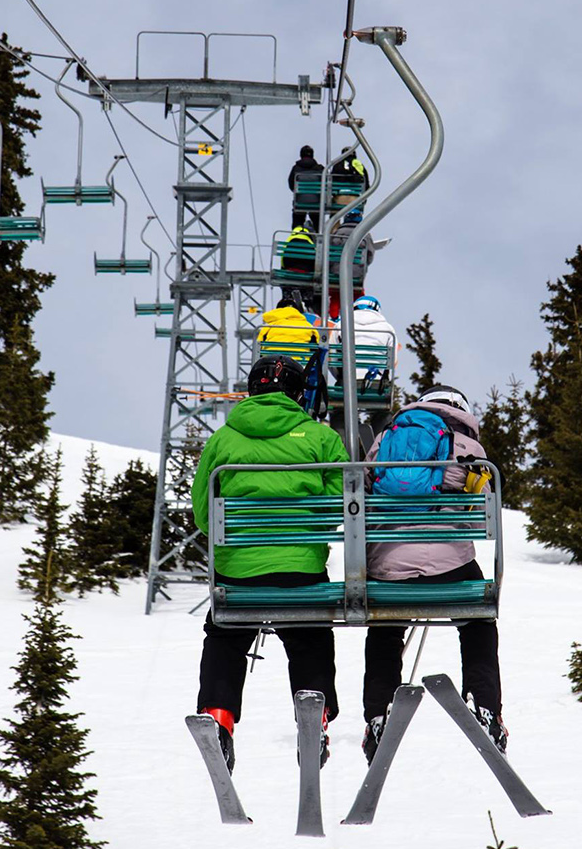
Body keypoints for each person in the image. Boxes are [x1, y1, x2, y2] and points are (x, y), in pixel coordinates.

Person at [193, 355, 349, 771]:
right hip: (300, 572)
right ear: (299, 394)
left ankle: (218, 715)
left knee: (225, 635)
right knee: (310, 636)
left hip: (238, 575)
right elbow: (340, 504)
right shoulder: (321, 437)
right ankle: (314, 715)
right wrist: (305, 528)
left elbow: (204, 515)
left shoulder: (223, 440)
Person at [360, 384, 507, 765]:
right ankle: (485, 703)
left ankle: (378, 713)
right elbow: (482, 509)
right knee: (478, 621)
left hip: (389, 569)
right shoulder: (469, 448)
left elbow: (363, 496)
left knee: (385, 629)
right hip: (450, 570)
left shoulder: (385, 441)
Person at [328, 295, 398, 389]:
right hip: (376, 382)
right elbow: (392, 360)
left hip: (347, 380)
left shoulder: (340, 325)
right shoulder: (388, 329)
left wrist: (340, 376)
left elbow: (332, 357)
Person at [257, 293, 320, 359]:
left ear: (277, 311)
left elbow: (259, 347)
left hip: (272, 362)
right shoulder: (308, 326)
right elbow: (315, 348)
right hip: (299, 363)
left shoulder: (269, 327)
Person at [288, 144, 324, 229]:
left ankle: (297, 231)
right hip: (316, 201)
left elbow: (291, 184)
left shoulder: (296, 168)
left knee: (298, 218)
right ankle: (318, 231)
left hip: (300, 200)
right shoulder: (320, 169)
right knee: (316, 219)